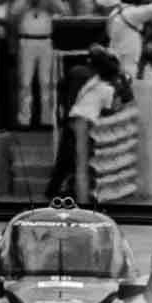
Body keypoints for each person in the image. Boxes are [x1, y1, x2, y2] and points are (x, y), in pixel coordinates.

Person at [47, 48, 120, 199]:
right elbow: (110, 109)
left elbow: (63, 89)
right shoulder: (105, 88)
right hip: (84, 122)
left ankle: (54, 190)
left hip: (72, 115)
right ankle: (80, 198)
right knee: (80, 163)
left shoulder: (81, 75)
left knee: (65, 157)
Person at [6, 0, 69, 129]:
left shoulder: (48, 0)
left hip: (45, 42)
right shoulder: (21, 0)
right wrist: (29, 2)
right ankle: (25, 119)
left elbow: (64, 11)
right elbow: (11, 18)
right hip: (26, 41)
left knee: (46, 82)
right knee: (25, 82)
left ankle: (47, 119)